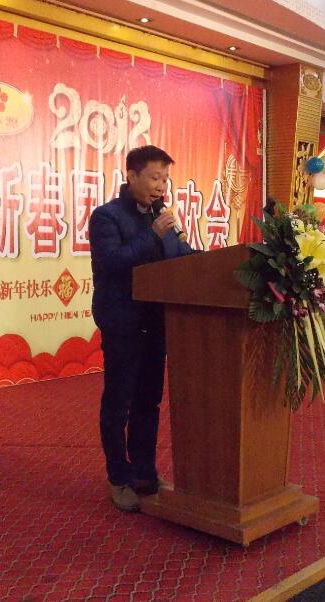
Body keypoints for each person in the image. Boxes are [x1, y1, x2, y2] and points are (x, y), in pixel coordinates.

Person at [88, 145, 194, 512]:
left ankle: (145, 473)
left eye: (165, 178)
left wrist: (221, 260)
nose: (161, 185)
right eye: (154, 177)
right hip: (123, 323)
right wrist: (153, 234)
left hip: (156, 322)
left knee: (149, 402)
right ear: (131, 176)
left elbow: (181, 258)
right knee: (119, 403)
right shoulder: (106, 217)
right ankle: (119, 478)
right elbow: (113, 262)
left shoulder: (162, 216)